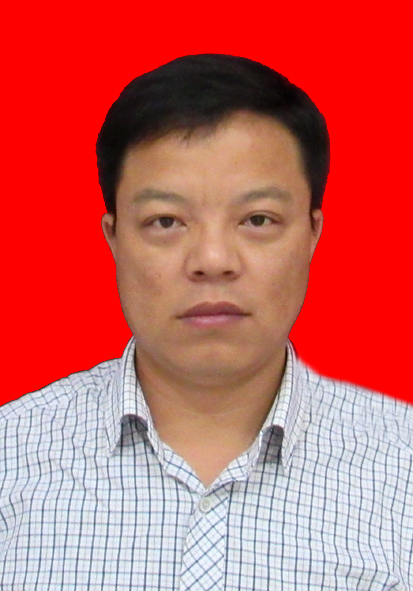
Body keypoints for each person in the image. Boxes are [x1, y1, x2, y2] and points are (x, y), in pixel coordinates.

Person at [0, 54, 412, 590]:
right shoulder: (10, 458)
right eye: (165, 221)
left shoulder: (404, 468)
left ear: (312, 233)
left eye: (257, 219)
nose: (213, 260)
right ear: (113, 237)